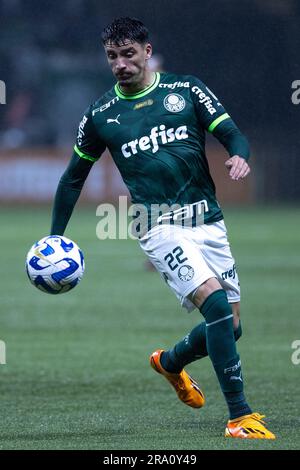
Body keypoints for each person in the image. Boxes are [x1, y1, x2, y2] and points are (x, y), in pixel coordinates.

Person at [51, 17, 275, 439]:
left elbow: (231, 133)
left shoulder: (186, 90)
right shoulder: (101, 114)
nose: (120, 64)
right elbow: (72, 178)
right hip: (156, 225)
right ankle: (239, 417)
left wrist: (239, 155)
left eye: (128, 54)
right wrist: (55, 234)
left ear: (147, 52)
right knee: (217, 309)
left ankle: (170, 362)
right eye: (112, 57)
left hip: (207, 219)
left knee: (232, 327)